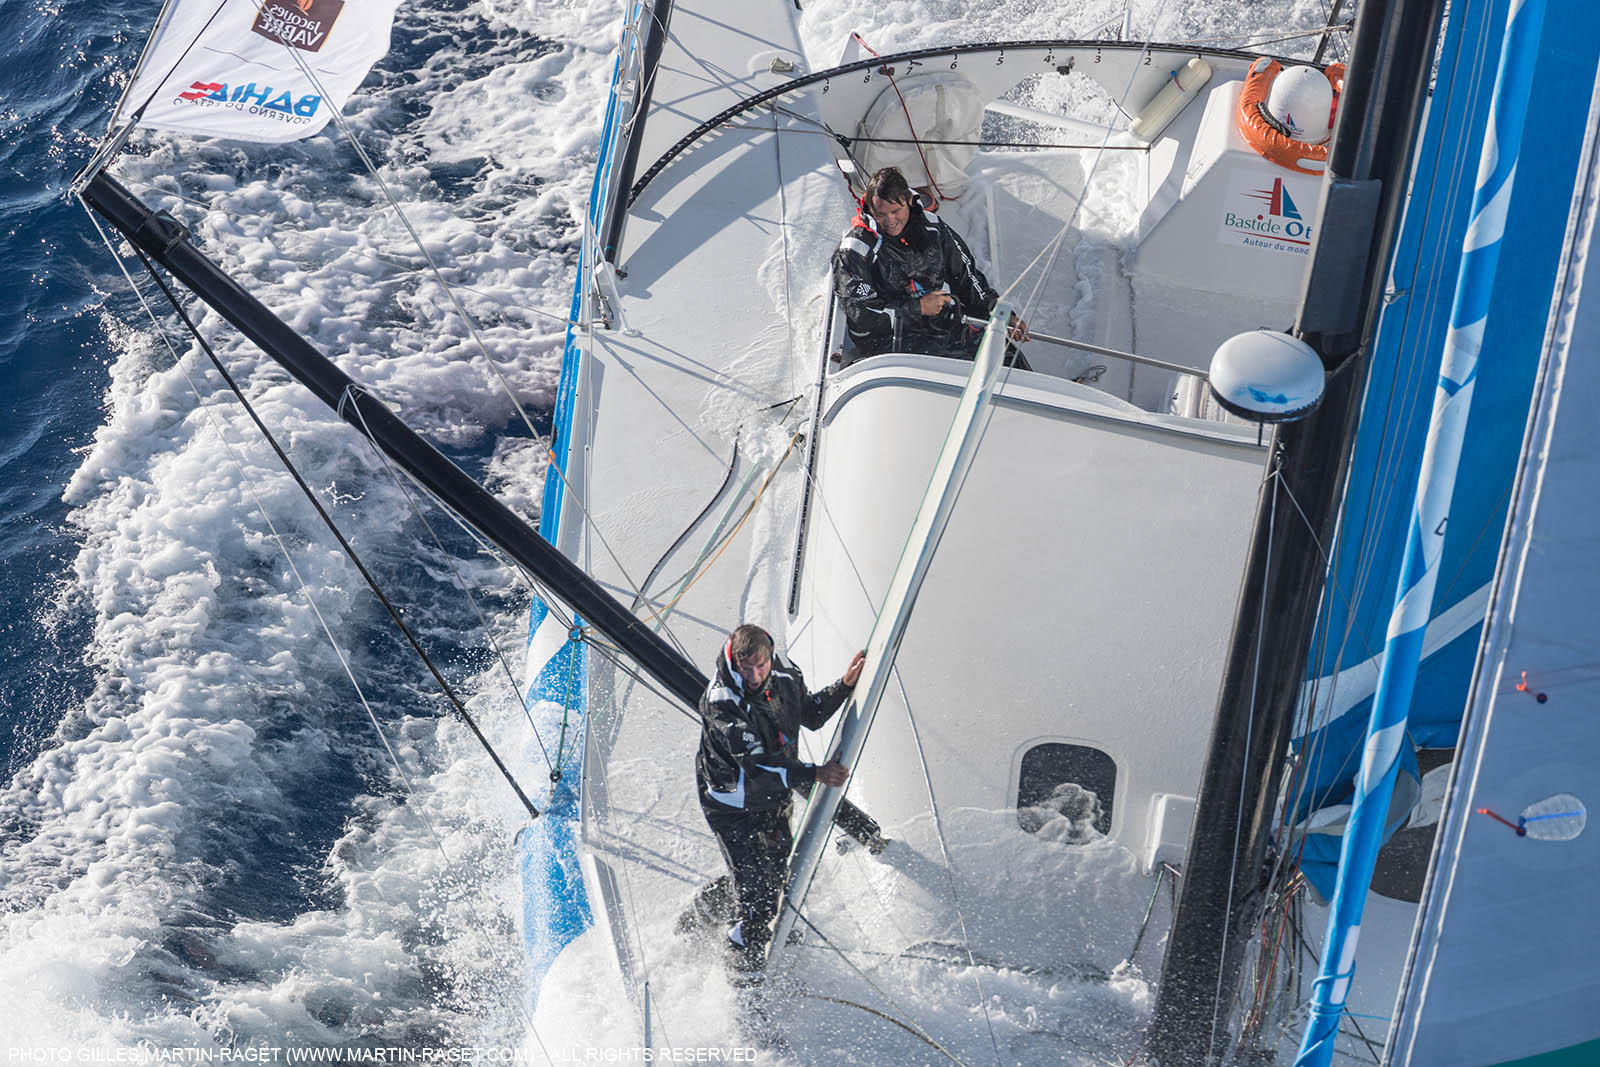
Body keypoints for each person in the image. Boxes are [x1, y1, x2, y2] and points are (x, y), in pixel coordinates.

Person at [693, 624, 866, 970]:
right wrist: (814, 773)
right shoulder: (722, 702)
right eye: (747, 668)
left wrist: (844, 686)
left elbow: (812, 715)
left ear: (769, 657)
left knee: (770, 877)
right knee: (760, 899)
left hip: (773, 795)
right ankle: (746, 972)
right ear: (734, 662)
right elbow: (756, 767)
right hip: (731, 805)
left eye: (761, 666)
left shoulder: (784, 674)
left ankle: (703, 914)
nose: (756, 676)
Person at [833, 165, 1030, 364]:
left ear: (909, 201)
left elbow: (968, 279)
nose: (889, 220)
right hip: (887, 341)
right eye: (880, 214)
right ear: (870, 207)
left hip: (938, 326)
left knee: (1007, 356)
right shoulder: (855, 248)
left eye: (895, 211)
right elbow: (861, 314)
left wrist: (999, 314)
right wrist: (917, 308)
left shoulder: (934, 228)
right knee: (945, 366)